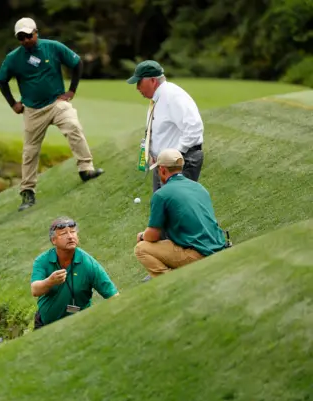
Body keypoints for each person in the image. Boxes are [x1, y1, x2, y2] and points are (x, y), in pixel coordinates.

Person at [0, 17, 104, 212]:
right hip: (32, 110)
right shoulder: (14, 58)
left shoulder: (52, 47)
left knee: (73, 127)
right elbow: (1, 80)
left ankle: (85, 169)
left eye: (29, 36)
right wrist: (13, 104)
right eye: (21, 38)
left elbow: (76, 62)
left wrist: (71, 91)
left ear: (36, 32)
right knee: (30, 151)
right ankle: (27, 192)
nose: (26, 40)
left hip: (56, 103)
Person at [134, 148, 226, 278]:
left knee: (141, 249)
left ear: (162, 170)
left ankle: (173, 280)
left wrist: (142, 236)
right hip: (218, 246)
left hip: (199, 254)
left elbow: (153, 235)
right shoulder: (198, 187)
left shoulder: (161, 194)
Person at [127, 60, 204, 193]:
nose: (137, 87)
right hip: (163, 164)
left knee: (176, 208)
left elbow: (194, 128)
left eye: (139, 82)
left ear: (152, 81)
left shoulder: (173, 96)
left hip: (180, 163)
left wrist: (173, 157)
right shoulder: (158, 98)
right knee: (162, 207)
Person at [30, 217, 119, 329]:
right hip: (45, 324)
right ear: (54, 240)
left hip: (81, 325)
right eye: (63, 234)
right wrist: (50, 281)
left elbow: (112, 295)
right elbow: (35, 290)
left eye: (73, 232)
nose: (70, 237)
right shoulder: (42, 260)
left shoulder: (88, 263)